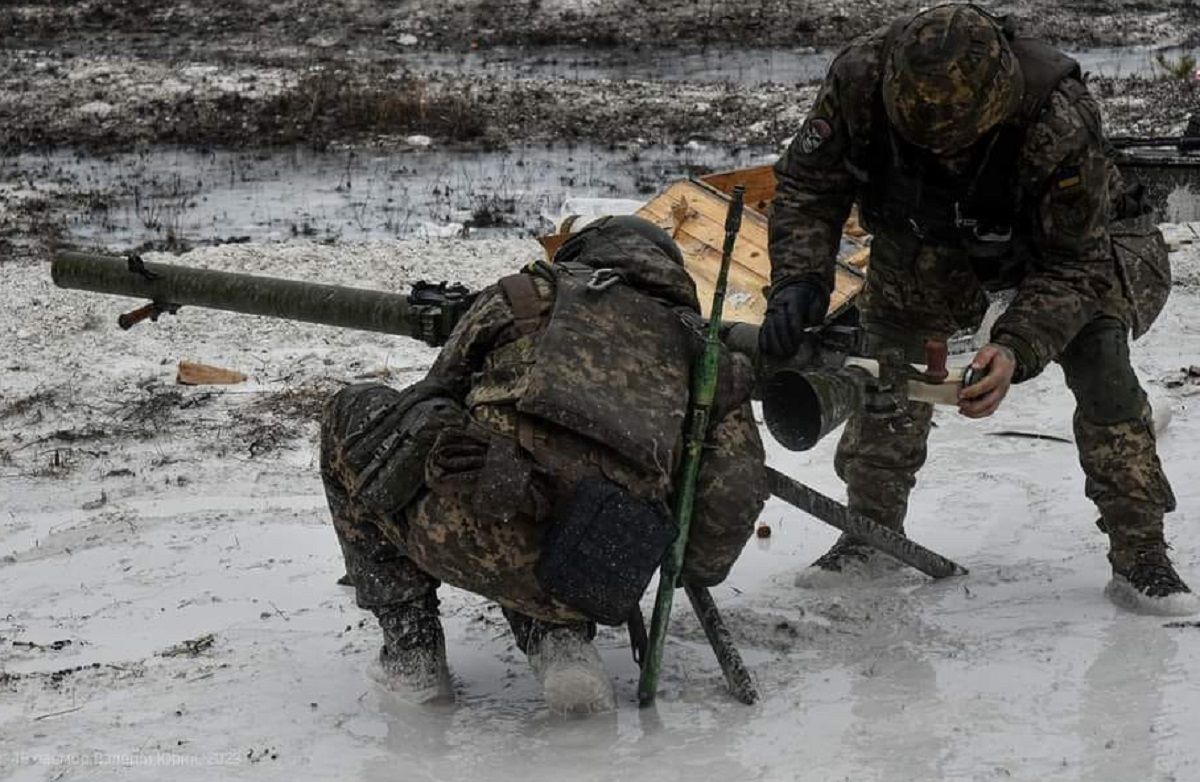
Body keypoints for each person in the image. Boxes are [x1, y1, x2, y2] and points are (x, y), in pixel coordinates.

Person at [762, 3, 1196, 615]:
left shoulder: (1057, 116)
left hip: (1066, 247)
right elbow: (809, 188)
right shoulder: (859, 80)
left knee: (1102, 361)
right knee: (887, 358)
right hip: (929, 240)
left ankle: (1141, 552)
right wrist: (799, 279)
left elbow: (1077, 264)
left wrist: (1014, 347)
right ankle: (871, 534)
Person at [321, 216, 768, 712]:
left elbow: (431, 399)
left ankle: (412, 652)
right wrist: (683, 566)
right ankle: (561, 643)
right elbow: (734, 492)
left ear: (581, 252)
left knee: (355, 411)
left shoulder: (522, 295)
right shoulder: (710, 361)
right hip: (597, 573)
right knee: (573, 494)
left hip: (464, 529)